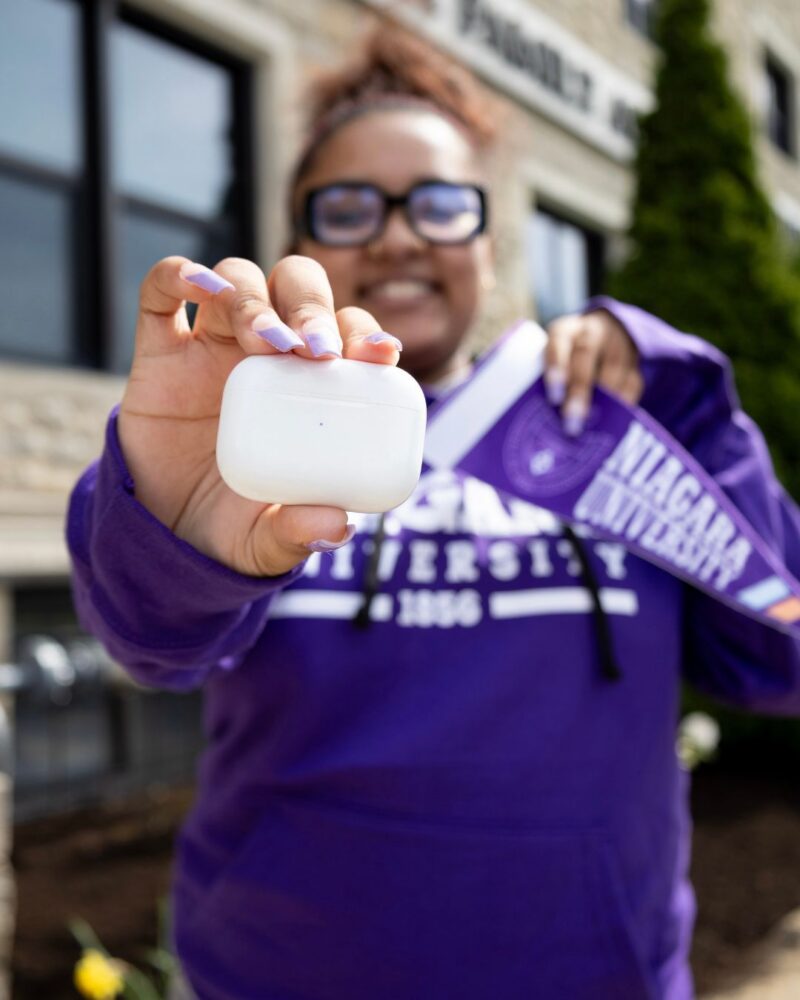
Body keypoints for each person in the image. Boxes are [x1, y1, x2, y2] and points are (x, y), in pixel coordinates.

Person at [67, 24, 800, 1000]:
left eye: (440, 205)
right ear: (300, 243)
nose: (398, 232)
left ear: (487, 247)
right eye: (349, 205)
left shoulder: (608, 441)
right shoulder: (246, 447)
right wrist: (172, 523)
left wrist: (694, 417)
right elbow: (149, 644)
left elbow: (779, 657)